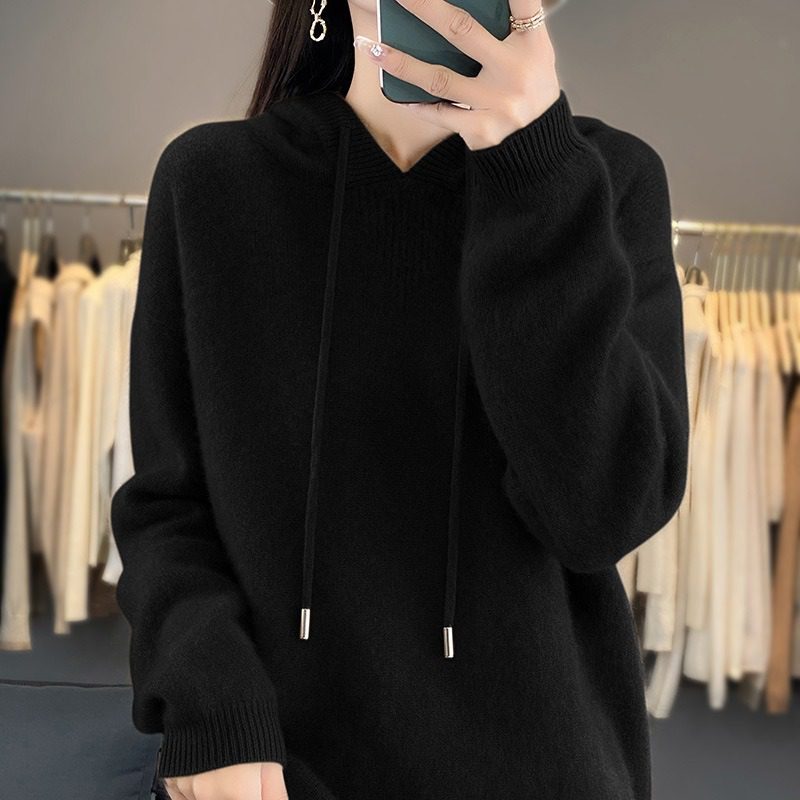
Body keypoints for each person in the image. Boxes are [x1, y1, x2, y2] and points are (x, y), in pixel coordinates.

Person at [110, 0, 690, 797]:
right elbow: (167, 505)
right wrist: (210, 704)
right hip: (276, 776)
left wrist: (532, 170)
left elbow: (603, 514)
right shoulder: (212, 182)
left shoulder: (608, 183)